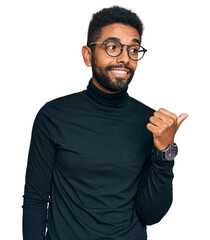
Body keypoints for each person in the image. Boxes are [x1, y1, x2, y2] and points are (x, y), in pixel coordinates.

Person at [22, 6, 188, 240]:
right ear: (87, 55)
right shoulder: (53, 116)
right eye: (112, 47)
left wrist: (164, 152)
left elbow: (151, 214)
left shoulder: (151, 123)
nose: (124, 58)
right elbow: (35, 200)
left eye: (133, 49)